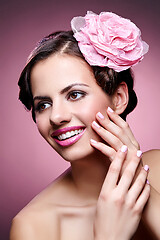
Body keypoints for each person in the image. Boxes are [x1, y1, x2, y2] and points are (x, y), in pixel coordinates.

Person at [10, 11, 160, 240]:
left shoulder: (158, 167)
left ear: (119, 97)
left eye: (75, 94)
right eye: (43, 105)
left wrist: (143, 190)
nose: (56, 116)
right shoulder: (32, 227)